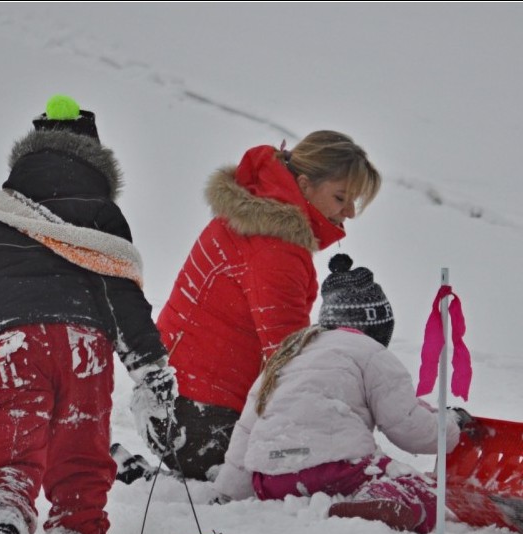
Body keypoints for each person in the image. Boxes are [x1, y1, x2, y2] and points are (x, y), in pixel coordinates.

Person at [0, 95, 177, 534]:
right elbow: (121, 293)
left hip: (11, 343)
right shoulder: (102, 214)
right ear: (96, 161)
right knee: (81, 446)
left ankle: (2, 520)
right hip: (83, 343)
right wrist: (150, 368)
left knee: (10, 444)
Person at [150, 132, 382, 481]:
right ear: (304, 185)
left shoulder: (256, 216)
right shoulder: (275, 249)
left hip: (173, 403)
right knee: (324, 468)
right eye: (340, 198)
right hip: (202, 423)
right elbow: (289, 361)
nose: (349, 212)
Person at [212, 254, 464, 534]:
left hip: (271, 479)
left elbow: (247, 427)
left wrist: (229, 492)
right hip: (334, 469)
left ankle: (350, 503)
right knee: (423, 491)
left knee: (354, 474)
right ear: (377, 326)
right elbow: (406, 425)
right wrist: (451, 429)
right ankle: (374, 501)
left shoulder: (288, 353)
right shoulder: (371, 353)